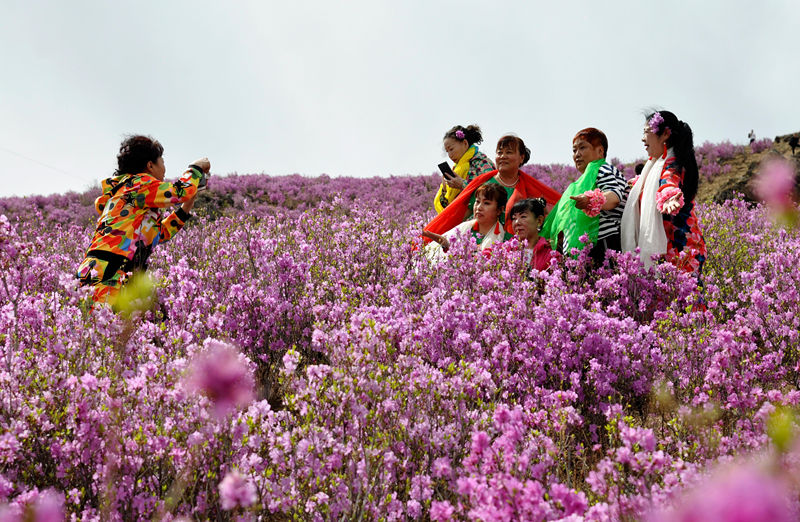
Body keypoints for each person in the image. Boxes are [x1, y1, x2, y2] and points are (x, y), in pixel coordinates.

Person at [76, 135, 210, 306]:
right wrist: (195, 168)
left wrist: (186, 208)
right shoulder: (139, 185)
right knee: (107, 323)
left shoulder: (125, 193)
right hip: (110, 275)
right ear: (150, 165)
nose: (165, 169)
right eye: (162, 162)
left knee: (98, 322)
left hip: (98, 273)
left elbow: (160, 234)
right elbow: (181, 191)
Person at [424, 135, 561, 241]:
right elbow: (460, 215)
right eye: (499, 152)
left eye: (509, 152)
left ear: (521, 157)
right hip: (479, 243)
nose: (503, 157)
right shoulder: (484, 182)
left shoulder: (529, 187)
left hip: (514, 250)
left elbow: (552, 214)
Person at [621, 111, 706, 274]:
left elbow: (669, 181)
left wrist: (669, 197)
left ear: (665, 134)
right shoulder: (652, 169)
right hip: (668, 251)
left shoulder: (673, 165)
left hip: (682, 250)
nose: (643, 139)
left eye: (646, 132)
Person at [540, 128, 628, 265]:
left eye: (582, 148)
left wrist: (590, 200)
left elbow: (614, 196)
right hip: (586, 249)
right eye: (574, 150)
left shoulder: (602, 169)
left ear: (600, 151)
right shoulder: (581, 182)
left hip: (604, 243)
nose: (577, 154)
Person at [423, 183, 512, 256]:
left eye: (486, 203)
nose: (479, 207)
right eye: (477, 202)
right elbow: (447, 247)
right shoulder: (464, 228)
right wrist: (444, 244)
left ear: (499, 210)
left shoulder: (505, 238)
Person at [434, 125, 496, 213]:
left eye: (451, 149)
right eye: (447, 151)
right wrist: (444, 189)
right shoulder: (456, 169)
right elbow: (448, 206)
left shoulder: (481, 162)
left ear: (465, 143)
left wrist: (462, 184)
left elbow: (493, 191)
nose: (450, 155)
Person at [508, 197, 554, 272]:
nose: (517, 223)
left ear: (539, 220)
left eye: (523, 217)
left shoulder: (550, 256)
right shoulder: (505, 250)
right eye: (514, 218)